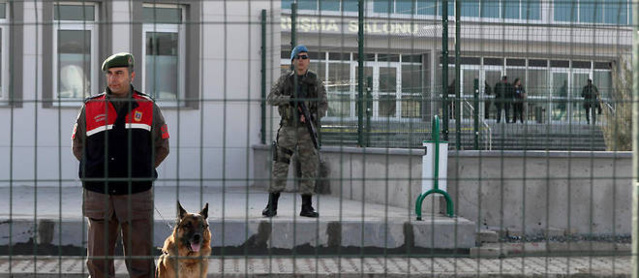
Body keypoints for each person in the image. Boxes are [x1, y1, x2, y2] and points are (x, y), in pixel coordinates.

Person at [71, 52, 170, 278]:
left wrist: (139, 171)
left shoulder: (148, 107)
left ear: (131, 75)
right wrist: (97, 171)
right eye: (110, 74)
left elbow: (162, 147)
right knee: (98, 263)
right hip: (99, 194)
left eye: (119, 73)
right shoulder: (91, 107)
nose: (114, 79)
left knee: (141, 262)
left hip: (136, 194)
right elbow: (78, 147)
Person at [262, 45, 328, 218]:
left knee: (309, 167)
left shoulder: (315, 81)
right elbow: (271, 98)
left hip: (307, 130)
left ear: (308, 60)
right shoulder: (285, 80)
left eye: (304, 57)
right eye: (297, 57)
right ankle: (272, 205)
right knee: (280, 165)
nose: (301, 60)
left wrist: (312, 116)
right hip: (288, 129)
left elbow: (323, 105)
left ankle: (307, 207)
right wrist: (290, 100)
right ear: (292, 61)